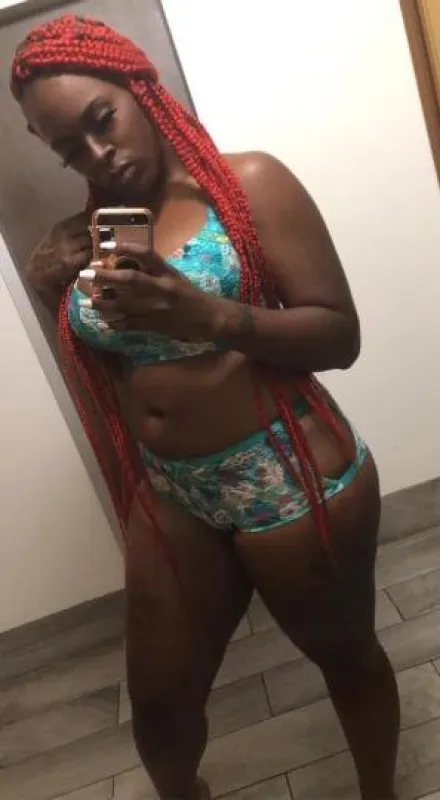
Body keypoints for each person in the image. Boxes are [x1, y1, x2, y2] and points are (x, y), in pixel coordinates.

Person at [11, 14, 399, 800]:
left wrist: (210, 315)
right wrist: (54, 286)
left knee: (344, 657)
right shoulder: (93, 236)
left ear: (140, 87)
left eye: (101, 121)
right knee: (159, 708)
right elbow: (120, 363)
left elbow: (339, 336)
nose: (97, 155)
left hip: (286, 477)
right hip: (173, 491)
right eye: (69, 149)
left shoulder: (248, 182)